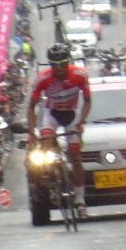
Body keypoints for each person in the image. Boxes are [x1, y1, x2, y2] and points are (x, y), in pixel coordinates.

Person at [28, 43, 92, 213]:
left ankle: (80, 200)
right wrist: (31, 133)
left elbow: (87, 101)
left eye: (62, 64)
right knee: (45, 147)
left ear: (68, 62)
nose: (59, 69)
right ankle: (49, 179)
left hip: (72, 115)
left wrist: (81, 122)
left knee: (76, 157)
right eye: (54, 65)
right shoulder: (43, 79)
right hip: (52, 114)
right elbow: (31, 107)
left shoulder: (80, 75)